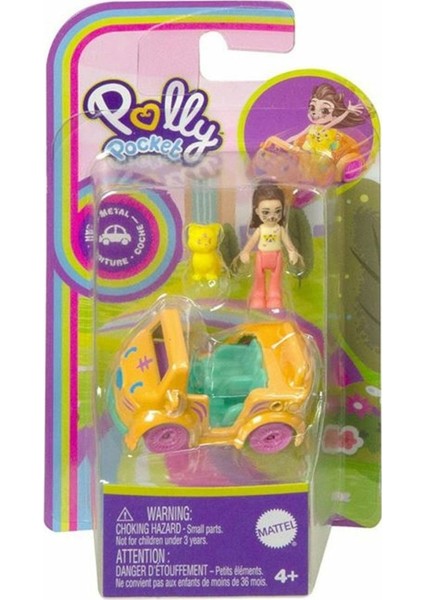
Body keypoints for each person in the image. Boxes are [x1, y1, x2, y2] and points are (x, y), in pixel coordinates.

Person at [240, 181, 301, 309]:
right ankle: (258, 296)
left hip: (277, 257)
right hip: (261, 257)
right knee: (259, 279)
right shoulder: (260, 229)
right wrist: (245, 252)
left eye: (277, 211)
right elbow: (251, 243)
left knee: (276, 281)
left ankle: (275, 297)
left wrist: (292, 252)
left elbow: (288, 244)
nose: (272, 216)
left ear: (282, 210)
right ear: (257, 211)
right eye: (266, 212)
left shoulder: (280, 229)